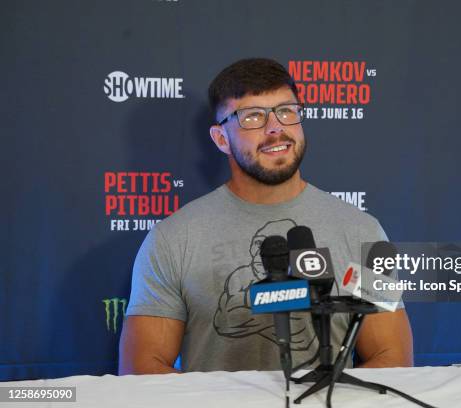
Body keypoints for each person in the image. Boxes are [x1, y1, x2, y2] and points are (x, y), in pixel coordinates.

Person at [118, 58, 413, 374]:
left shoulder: (362, 233)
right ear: (221, 139)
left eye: (287, 111)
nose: (276, 128)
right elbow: (142, 369)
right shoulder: (174, 239)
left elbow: (392, 358)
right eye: (253, 116)